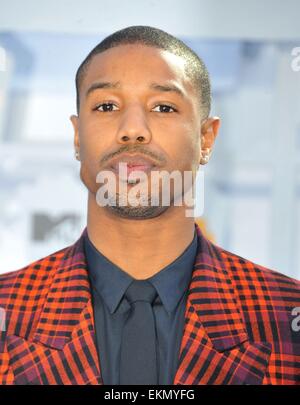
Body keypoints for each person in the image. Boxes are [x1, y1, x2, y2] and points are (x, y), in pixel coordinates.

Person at [0, 26, 299, 385]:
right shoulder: (7, 308)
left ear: (206, 138)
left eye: (163, 107)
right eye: (107, 106)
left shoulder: (286, 314)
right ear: (77, 137)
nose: (133, 130)